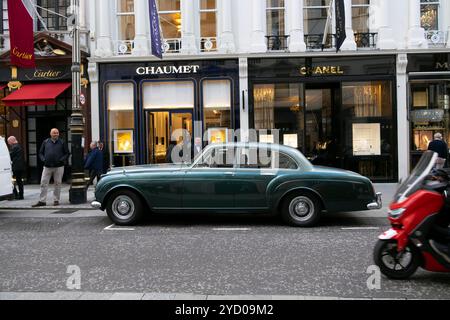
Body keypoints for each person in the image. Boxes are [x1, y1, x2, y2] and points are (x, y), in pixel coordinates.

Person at [32, 128, 70, 207]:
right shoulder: (45, 142)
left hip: (59, 167)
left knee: (57, 183)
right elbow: (40, 153)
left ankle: (56, 200)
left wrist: (61, 160)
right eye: (54, 133)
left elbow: (67, 153)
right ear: (50, 134)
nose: (55, 134)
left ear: (58, 134)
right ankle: (42, 201)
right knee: (43, 183)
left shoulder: (62, 142)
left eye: (57, 133)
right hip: (47, 167)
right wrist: (44, 159)